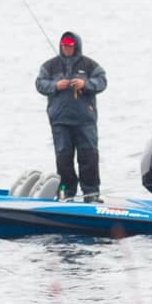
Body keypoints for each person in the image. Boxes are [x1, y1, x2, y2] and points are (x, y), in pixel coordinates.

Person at [34, 30, 107, 202]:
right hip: (60, 121)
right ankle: (66, 193)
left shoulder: (90, 65)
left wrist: (85, 84)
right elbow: (39, 83)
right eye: (64, 46)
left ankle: (91, 194)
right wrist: (55, 86)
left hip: (85, 121)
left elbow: (102, 81)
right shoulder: (49, 66)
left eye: (70, 46)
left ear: (76, 47)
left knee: (88, 157)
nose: (67, 48)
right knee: (63, 159)